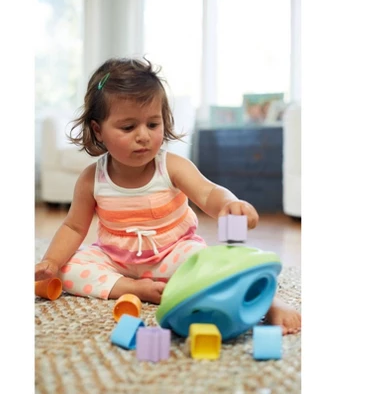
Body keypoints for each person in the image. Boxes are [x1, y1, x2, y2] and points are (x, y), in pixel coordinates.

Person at [35, 57, 301, 335]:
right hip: (116, 261)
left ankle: (270, 303)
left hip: (174, 254)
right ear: (98, 130)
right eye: (128, 127)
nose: (143, 136)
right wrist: (51, 261)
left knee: (214, 267)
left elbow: (208, 193)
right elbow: (74, 227)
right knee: (68, 268)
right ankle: (130, 288)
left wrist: (229, 204)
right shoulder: (92, 178)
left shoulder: (170, 166)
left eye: (152, 124)